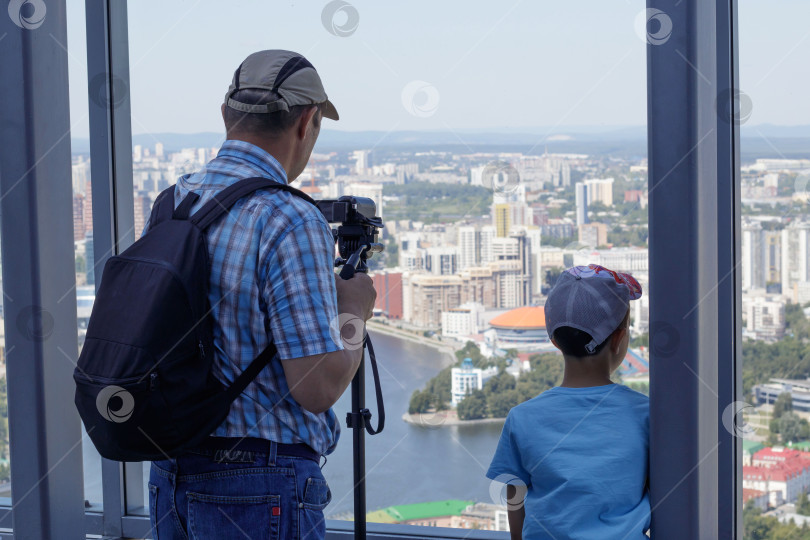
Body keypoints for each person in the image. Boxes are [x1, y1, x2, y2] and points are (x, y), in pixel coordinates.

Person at [147, 50, 377, 540]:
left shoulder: (174, 200)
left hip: (171, 474)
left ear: (226, 114)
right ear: (307, 122)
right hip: (259, 486)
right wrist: (354, 309)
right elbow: (317, 389)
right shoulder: (287, 217)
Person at [486, 264, 650, 540]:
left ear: (554, 339)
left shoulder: (522, 418)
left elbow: (515, 500)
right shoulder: (646, 415)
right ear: (620, 339)